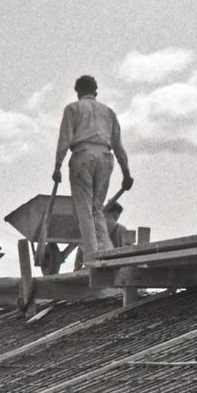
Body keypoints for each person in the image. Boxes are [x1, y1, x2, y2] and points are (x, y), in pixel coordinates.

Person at [53, 75, 133, 268]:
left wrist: (57, 166)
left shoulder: (73, 109)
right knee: (98, 210)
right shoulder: (109, 112)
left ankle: (92, 258)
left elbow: (65, 139)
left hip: (83, 156)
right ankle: (105, 254)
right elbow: (118, 145)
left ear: (78, 92)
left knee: (85, 211)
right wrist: (126, 173)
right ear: (95, 92)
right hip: (106, 158)